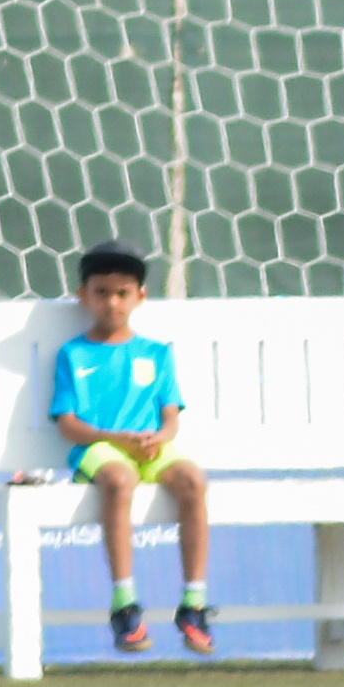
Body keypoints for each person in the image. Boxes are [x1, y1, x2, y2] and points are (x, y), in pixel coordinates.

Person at [50, 241, 215, 655]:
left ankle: (193, 604)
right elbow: (67, 424)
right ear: (83, 295)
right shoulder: (73, 354)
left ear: (140, 296)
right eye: (102, 292)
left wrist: (160, 438)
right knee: (119, 480)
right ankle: (124, 605)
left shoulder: (156, 353)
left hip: (150, 449)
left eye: (122, 293)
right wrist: (114, 439)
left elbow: (170, 417)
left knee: (193, 481)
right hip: (101, 450)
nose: (112, 303)